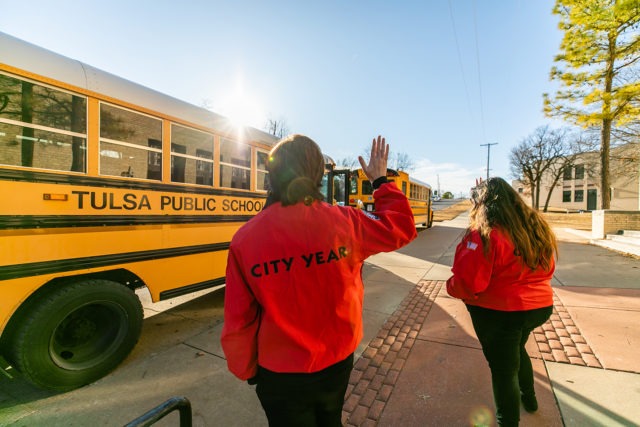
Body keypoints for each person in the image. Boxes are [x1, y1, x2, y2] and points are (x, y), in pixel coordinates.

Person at [221, 134, 417, 426]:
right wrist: (380, 183)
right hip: (336, 360)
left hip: (279, 371)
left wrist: (247, 369)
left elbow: (239, 318)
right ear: (316, 174)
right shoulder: (345, 222)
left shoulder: (245, 239)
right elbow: (400, 226)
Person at [446, 177, 558, 427]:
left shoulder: (485, 234)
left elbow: (469, 282)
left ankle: (507, 421)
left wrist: (451, 287)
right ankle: (530, 399)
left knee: (503, 370)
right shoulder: (535, 228)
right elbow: (548, 268)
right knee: (516, 350)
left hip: (500, 312)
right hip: (538, 307)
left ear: (482, 205)